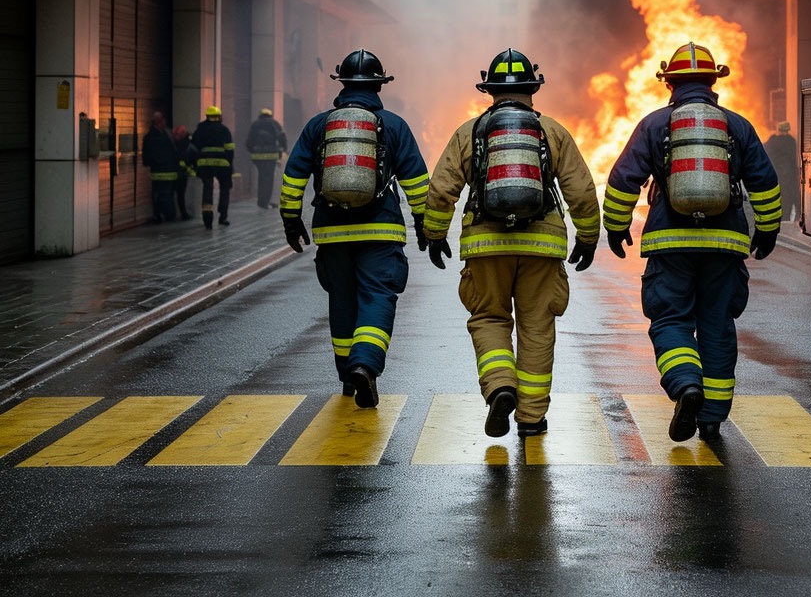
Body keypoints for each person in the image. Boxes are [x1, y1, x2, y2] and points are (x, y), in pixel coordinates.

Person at [602, 42, 781, 444]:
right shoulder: (737, 125)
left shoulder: (654, 125)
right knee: (718, 325)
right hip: (725, 242)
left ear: (670, 82)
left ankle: (686, 386)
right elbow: (764, 183)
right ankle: (713, 419)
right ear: (714, 82)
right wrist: (767, 229)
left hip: (670, 242)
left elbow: (623, 178)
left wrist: (615, 226)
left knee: (670, 319)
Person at [423, 48, 600, 439]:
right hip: (543, 245)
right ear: (533, 88)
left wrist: (434, 233)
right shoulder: (551, 130)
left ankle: (501, 386)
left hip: (485, 246)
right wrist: (588, 235)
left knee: (489, 318)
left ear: (488, 90)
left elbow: (441, 190)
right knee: (537, 328)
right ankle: (532, 418)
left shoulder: (469, 131)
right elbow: (581, 190)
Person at [279, 49, 429, 408]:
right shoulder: (393, 125)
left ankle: (348, 376)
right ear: (379, 85)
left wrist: (290, 218)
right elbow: (417, 181)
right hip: (380, 232)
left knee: (342, 301)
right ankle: (365, 365)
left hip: (331, 232)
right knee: (377, 296)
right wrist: (426, 223)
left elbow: (294, 174)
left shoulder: (319, 125)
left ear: (341, 83)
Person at [192, 105, 235, 229]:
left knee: (207, 189)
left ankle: (207, 218)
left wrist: (196, 163)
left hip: (205, 164)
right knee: (225, 189)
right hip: (223, 165)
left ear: (207, 116)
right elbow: (230, 149)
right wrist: (230, 164)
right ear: (219, 117)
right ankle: (223, 216)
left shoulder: (200, 130)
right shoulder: (224, 130)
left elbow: (194, 148)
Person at [246, 108, 288, 209]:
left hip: (257, 157)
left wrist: (252, 151)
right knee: (268, 179)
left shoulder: (255, 124)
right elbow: (282, 137)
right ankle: (265, 202)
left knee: (261, 178)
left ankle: (261, 201)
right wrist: (284, 149)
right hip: (271, 156)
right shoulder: (274, 123)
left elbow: (249, 141)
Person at [141, 112, 178, 224]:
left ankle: (162, 215)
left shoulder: (164, 133)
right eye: (163, 120)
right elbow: (148, 152)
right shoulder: (154, 136)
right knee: (163, 194)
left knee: (162, 194)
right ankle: (167, 216)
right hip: (162, 169)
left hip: (166, 169)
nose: (164, 122)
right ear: (159, 121)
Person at [764, 121, 799, 222]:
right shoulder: (791, 141)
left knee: (776, 198)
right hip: (788, 176)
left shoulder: (772, 141)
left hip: (775, 176)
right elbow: (793, 160)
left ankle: (776, 218)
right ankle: (786, 218)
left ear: (778, 129)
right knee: (788, 199)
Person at [171, 125, 195, 221]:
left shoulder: (184, 144)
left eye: (177, 134)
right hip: (178, 172)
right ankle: (179, 213)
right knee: (176, 194)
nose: (176, 136)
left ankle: (181, 213)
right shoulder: (186, 142)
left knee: (180, 194)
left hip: (181, 173)